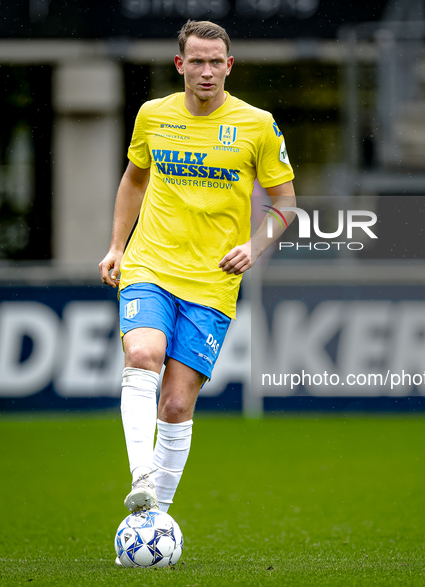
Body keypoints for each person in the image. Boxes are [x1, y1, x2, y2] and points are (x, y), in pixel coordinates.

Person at [98, 19, 296, 518]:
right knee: (143, 352)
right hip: (152, 263)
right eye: (197, 61)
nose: (206, 71)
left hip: (213, 282)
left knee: (176, 405)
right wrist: (117, 246)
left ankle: (152, 522)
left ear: (229, 66)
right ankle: (141, 472)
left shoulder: (257, 125)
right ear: (179, 64)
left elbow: (286, 205)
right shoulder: (153, 116)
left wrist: (254, 246)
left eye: (216, 62)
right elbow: (133, 180)